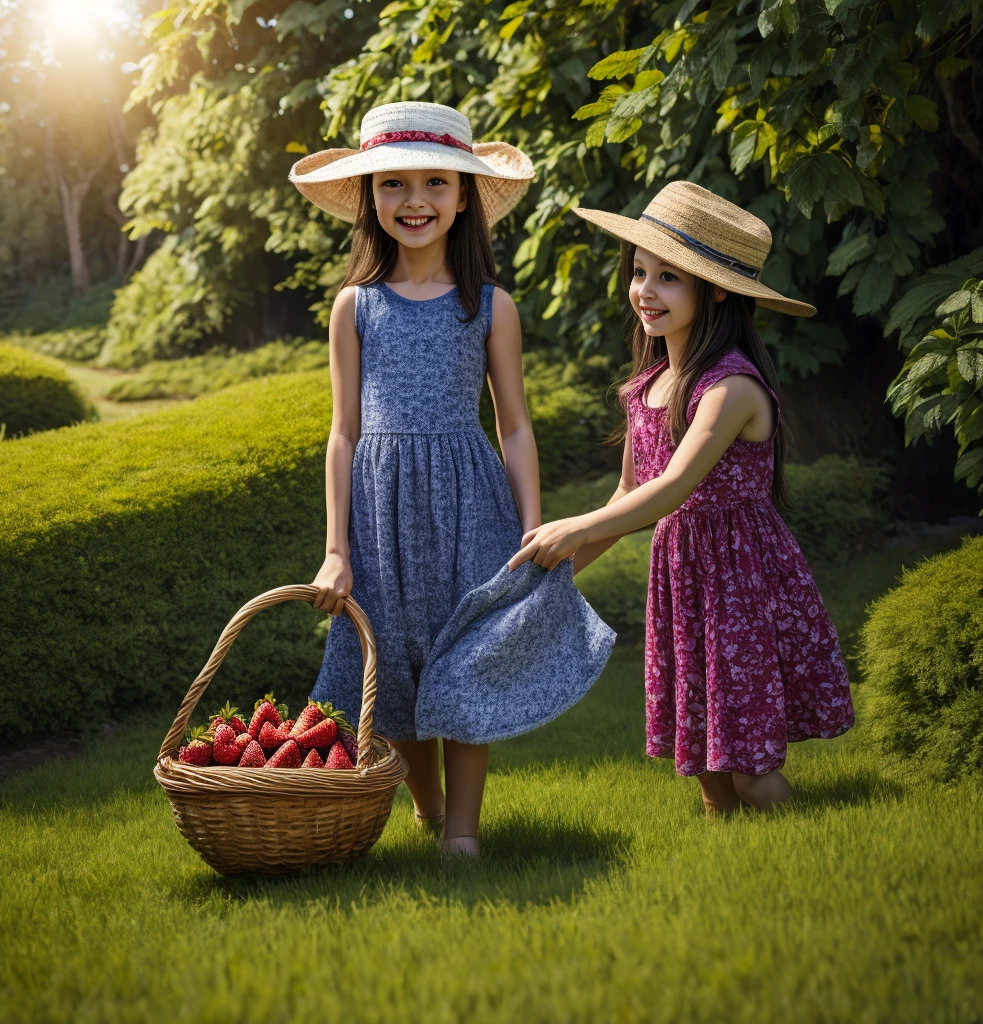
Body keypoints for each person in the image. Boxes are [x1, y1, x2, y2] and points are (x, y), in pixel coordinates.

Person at [290, 102, 614, 858]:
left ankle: (461, 835)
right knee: (392, 666)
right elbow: (341, 433)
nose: (415, 200)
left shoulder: (491, 306)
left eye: (435, 183)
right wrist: (336, 548)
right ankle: (427, 812)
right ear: (370, 197)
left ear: (464, 197)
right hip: (379, 513)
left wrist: (533, 522)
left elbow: (516, 424)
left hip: (472, 503)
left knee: (466, 657)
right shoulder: (355, 307)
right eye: (394, 184)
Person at [509, 181, 854, 816]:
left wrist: (573, 524)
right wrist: (551, 576)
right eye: (640, 273)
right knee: (709, 773)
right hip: (684, 578)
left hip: (739, 582)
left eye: (669, 278)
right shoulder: (648, 388)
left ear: (716, 290)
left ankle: (803, 845)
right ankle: (737, 861)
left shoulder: (731, 389)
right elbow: (629, 493)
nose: (645, 290)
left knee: (748, 767)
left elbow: (672, 488)